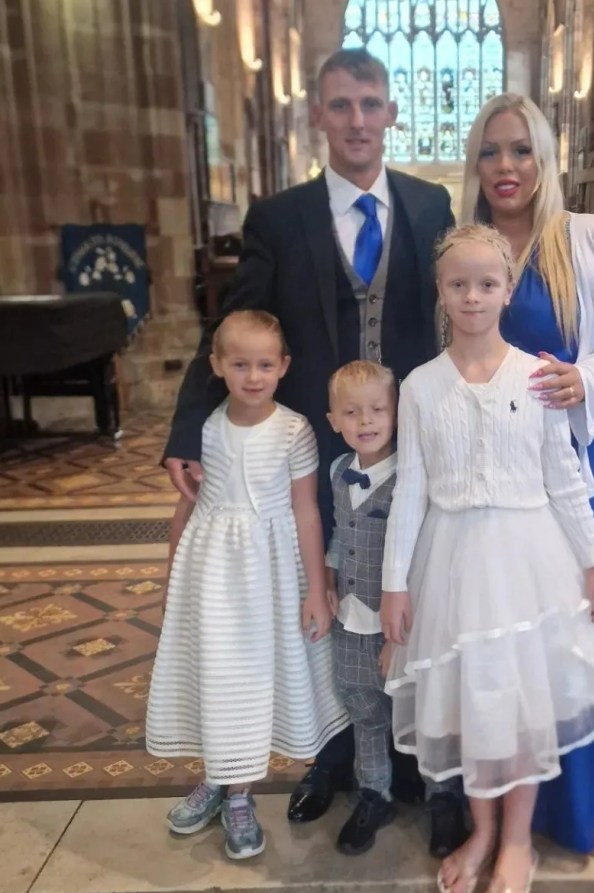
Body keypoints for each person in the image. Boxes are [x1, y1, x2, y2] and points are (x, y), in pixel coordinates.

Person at [161, 48, 464, 846]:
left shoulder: (431, 205)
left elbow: (456, 316)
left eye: (369, 103)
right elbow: (230, 327)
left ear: (390, 111)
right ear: (318, 116)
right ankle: (333, 753)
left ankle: (409, 757)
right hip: (320, 454)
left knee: (404, 595)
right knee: (322, 603)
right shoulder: (279, 216)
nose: (357, 119)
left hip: (410, 450)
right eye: (340, 105)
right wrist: (187, 428)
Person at [380, 224, 594, 893]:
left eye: (486, 282)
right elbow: (409, 489)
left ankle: (514, 843)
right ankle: (479, 829)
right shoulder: (417, 386)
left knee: (524, 707)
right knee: (476, 707)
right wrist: (394, 583)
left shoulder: (536, 376)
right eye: (457, 283)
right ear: (439, 293)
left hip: (529, 561)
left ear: (507, 290)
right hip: (450, 563)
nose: (472, 295)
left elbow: (566, 481)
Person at [460, 93, 594, 859]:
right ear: (474, 165)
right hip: (491, 478)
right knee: (500, 624)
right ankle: (494, 807)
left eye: (520, 151)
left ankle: (587, 799)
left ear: (546, 159)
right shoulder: (465, 247)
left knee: (581, 621)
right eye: (490, 152)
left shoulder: (588, 237)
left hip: (578, 462)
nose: (506, 167)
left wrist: (585, 376)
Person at [145, 310, 349, 860]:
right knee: (215, 676)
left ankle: (240, 794)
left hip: (271, 579)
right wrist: (171, 583)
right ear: (217, 366)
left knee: (253, 682)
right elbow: (182, 513)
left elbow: (307, 512)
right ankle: (214, 780)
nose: (253, 376)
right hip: (211, 577)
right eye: (240, 364)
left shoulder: (293, 429)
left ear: (283, 366)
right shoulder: (205, 429)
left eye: (264, 364)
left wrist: (314, 587)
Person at [324, 360, 401, 855]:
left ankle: (442, 797)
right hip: (350, 618)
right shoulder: (337, 470)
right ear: (334, 420)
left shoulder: (412, 477)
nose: (366, 421)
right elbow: (338, 529)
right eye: (352, 412)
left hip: (400, 623)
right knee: (363, 710)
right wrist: (328, 576)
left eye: (377, 410)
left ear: (396, 414)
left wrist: (399, 637)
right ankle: (374, 793)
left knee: (417, 709)